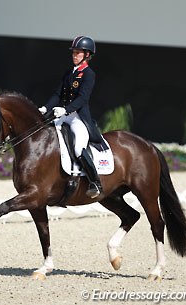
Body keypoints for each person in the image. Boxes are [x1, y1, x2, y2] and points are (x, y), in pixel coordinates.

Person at [39, 36, 103, 199]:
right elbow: (57, 94)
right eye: (74, 53)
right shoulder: (69, 72)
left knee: (78, 147)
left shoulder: (89, 74)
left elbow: (82, 99)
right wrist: (46, 107)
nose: (74, 55)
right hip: (62, 112)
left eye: (78, 53)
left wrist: (66, 110)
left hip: (77, 117)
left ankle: (95, 182)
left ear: (87, 55)